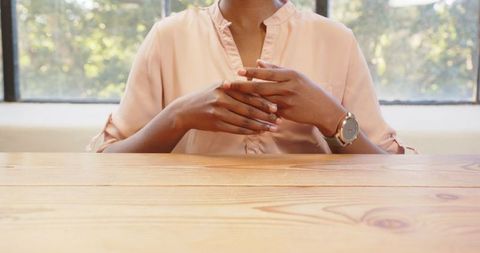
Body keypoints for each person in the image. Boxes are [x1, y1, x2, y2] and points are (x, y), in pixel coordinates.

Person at [90, 0, 412, 154]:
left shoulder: (336, 40)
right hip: (190, 229)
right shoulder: (167, 37)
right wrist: (178, 116)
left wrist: (333, 118)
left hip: (311, 229)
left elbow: (391, 170)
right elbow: (105, 161)